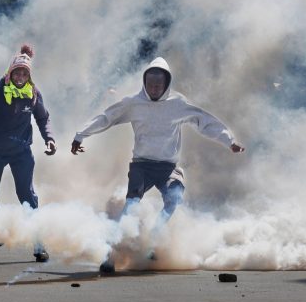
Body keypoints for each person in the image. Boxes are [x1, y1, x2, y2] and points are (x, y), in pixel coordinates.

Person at [71, 57, 244, 272]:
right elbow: (107, 117)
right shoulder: (133, 103)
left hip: (167, 167)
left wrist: (230, 141)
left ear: (166, 84)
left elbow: (205, 122)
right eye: (150, 84)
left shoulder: (178, 104)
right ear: (144, 83)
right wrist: (80, 135)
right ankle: (109, 258)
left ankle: (154, 238)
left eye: (158, 85)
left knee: (175, 198)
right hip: (141, 165)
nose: (153, 89)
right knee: (130, 208)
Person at [0, 44, 56, 262]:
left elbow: (43, 118)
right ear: (10, 72)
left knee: (27, 196)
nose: (20, 76)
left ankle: (38, 245)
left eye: (24, 73)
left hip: (21, 152)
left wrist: (50, 139)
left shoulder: (33, 93)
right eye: (17, 72)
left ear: (29, 75)